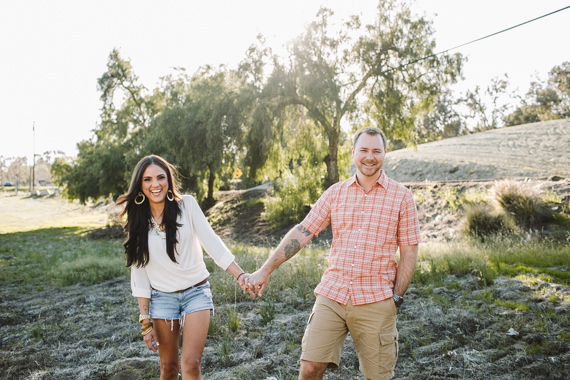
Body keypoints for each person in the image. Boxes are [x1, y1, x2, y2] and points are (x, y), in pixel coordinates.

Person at [245, 127, 421, 380]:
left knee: (378, 377)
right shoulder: (335, 193)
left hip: (376, 298)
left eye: (376, 151)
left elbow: (409, 251)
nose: (369, 157)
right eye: (363, 150)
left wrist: (396, 298)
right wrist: (265, 270)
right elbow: (302, 232)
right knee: (309, 368)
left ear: (384, 154)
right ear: (353, 153)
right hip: (333, 294)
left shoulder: (402, 197)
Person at [117, 155, 252, 380]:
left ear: (169, 180)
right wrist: (145, 321)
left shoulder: (186, 205)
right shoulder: (138, 220)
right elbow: (139, 273)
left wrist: (240, 274)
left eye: (161, 177)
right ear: (140, 185)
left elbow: (212, 242)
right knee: (168, 368)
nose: (155, 184)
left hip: (196, 293)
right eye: (148, 179)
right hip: (162, 299)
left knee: (191, 365)